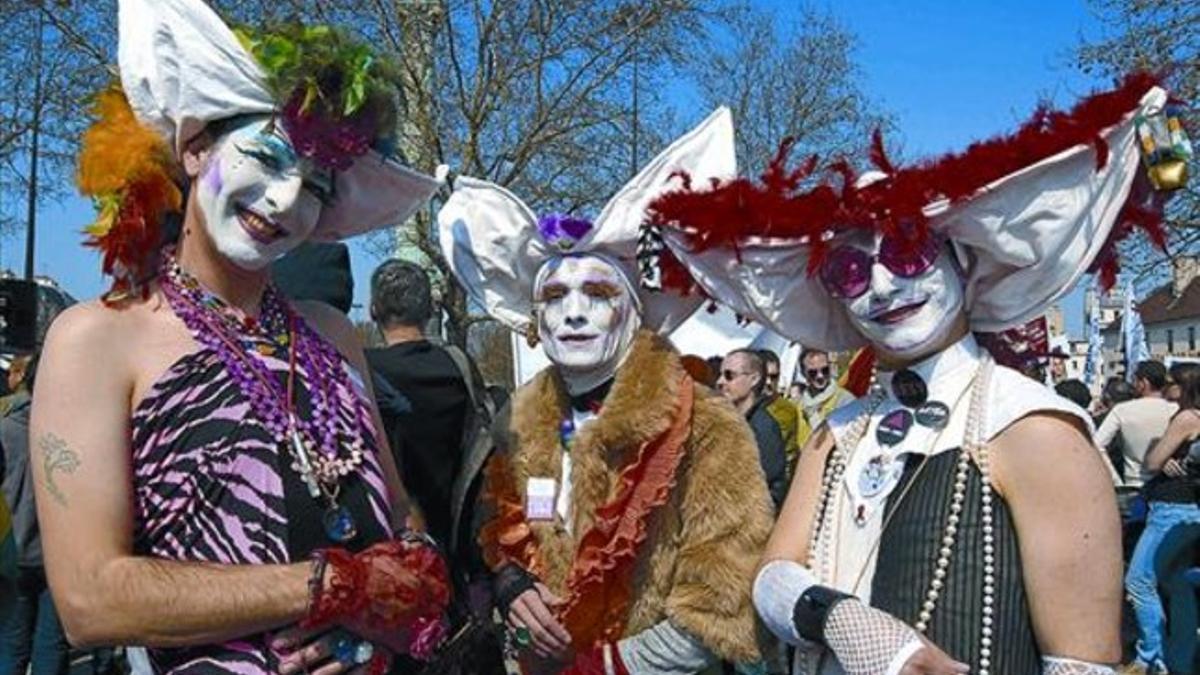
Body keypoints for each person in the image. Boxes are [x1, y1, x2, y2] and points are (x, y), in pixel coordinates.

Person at [650, 74, 1171, 674]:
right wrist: (843, 620)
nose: (881, 286)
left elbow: (1083, 665)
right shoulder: (839, 431)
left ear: (961, 263)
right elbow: (772, 574)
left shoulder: (1032, 426)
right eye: (849, 269)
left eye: (904, 251)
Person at [31, 1, 449, 673]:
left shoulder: (333, 333)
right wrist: (331, 588)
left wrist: (417, 583)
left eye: (315, 185)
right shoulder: (97, 338)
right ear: (195, 147)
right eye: (267, 157)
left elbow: (401, 514)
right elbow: (89, 597)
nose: (286, 200)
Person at [439, 107, 774, 673]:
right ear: (534, 322)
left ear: (633, 312)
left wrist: (604, 665)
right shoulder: (517, 425)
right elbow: (495, 530)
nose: (573, 314)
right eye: (555, 298)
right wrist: (512, 583)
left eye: (596, 293)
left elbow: (723, 599)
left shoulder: (707, 427)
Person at [365, 259, 480, 552]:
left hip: (382, 546)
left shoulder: (361, 372)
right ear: (430, 310)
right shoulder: (458, 367)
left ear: (373, 310)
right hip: (454, 543)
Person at [1123, 362, 1200, 674]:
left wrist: (1161, 455)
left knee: (1138, 580)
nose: (1165, 386)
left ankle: (1149, 657)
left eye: (1171, 382)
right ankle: (1179, 660)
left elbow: (1152, 461)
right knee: (1175, 582)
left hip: (1171, 509)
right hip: (1187, 509)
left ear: (1183, 386)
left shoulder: (1185, 417)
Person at [0, 351, 70, 675]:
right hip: (59, 553)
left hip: (11, 548)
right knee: (50, 644)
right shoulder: (73, 432)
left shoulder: (5, 428)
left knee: (10, 642)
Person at [720, 349, 789, 508]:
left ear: (754, 379)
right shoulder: (733, 421)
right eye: (721, 374)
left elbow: (769, 489)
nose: (720, 381)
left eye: (729, 375)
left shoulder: (764, 427)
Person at [1095, 361, 1177, 489]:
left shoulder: (1122, 410)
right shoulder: (1176, 409)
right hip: (1170, 483)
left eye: (1135, 380)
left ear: (1143, 383)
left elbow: (1097, 444)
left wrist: (1116, 480)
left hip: (1134, 483)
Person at [796, 348, 855, 452]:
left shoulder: (846, 401)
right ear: (803, 373)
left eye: (825, 370)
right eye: (813, 372)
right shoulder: (797, 405)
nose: (820, 376)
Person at [760, 349, 802, 471]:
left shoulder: (788, 411)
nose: (768, 382)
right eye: (764, 376)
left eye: (773, 377)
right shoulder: (741, 404)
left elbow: (790, 455)